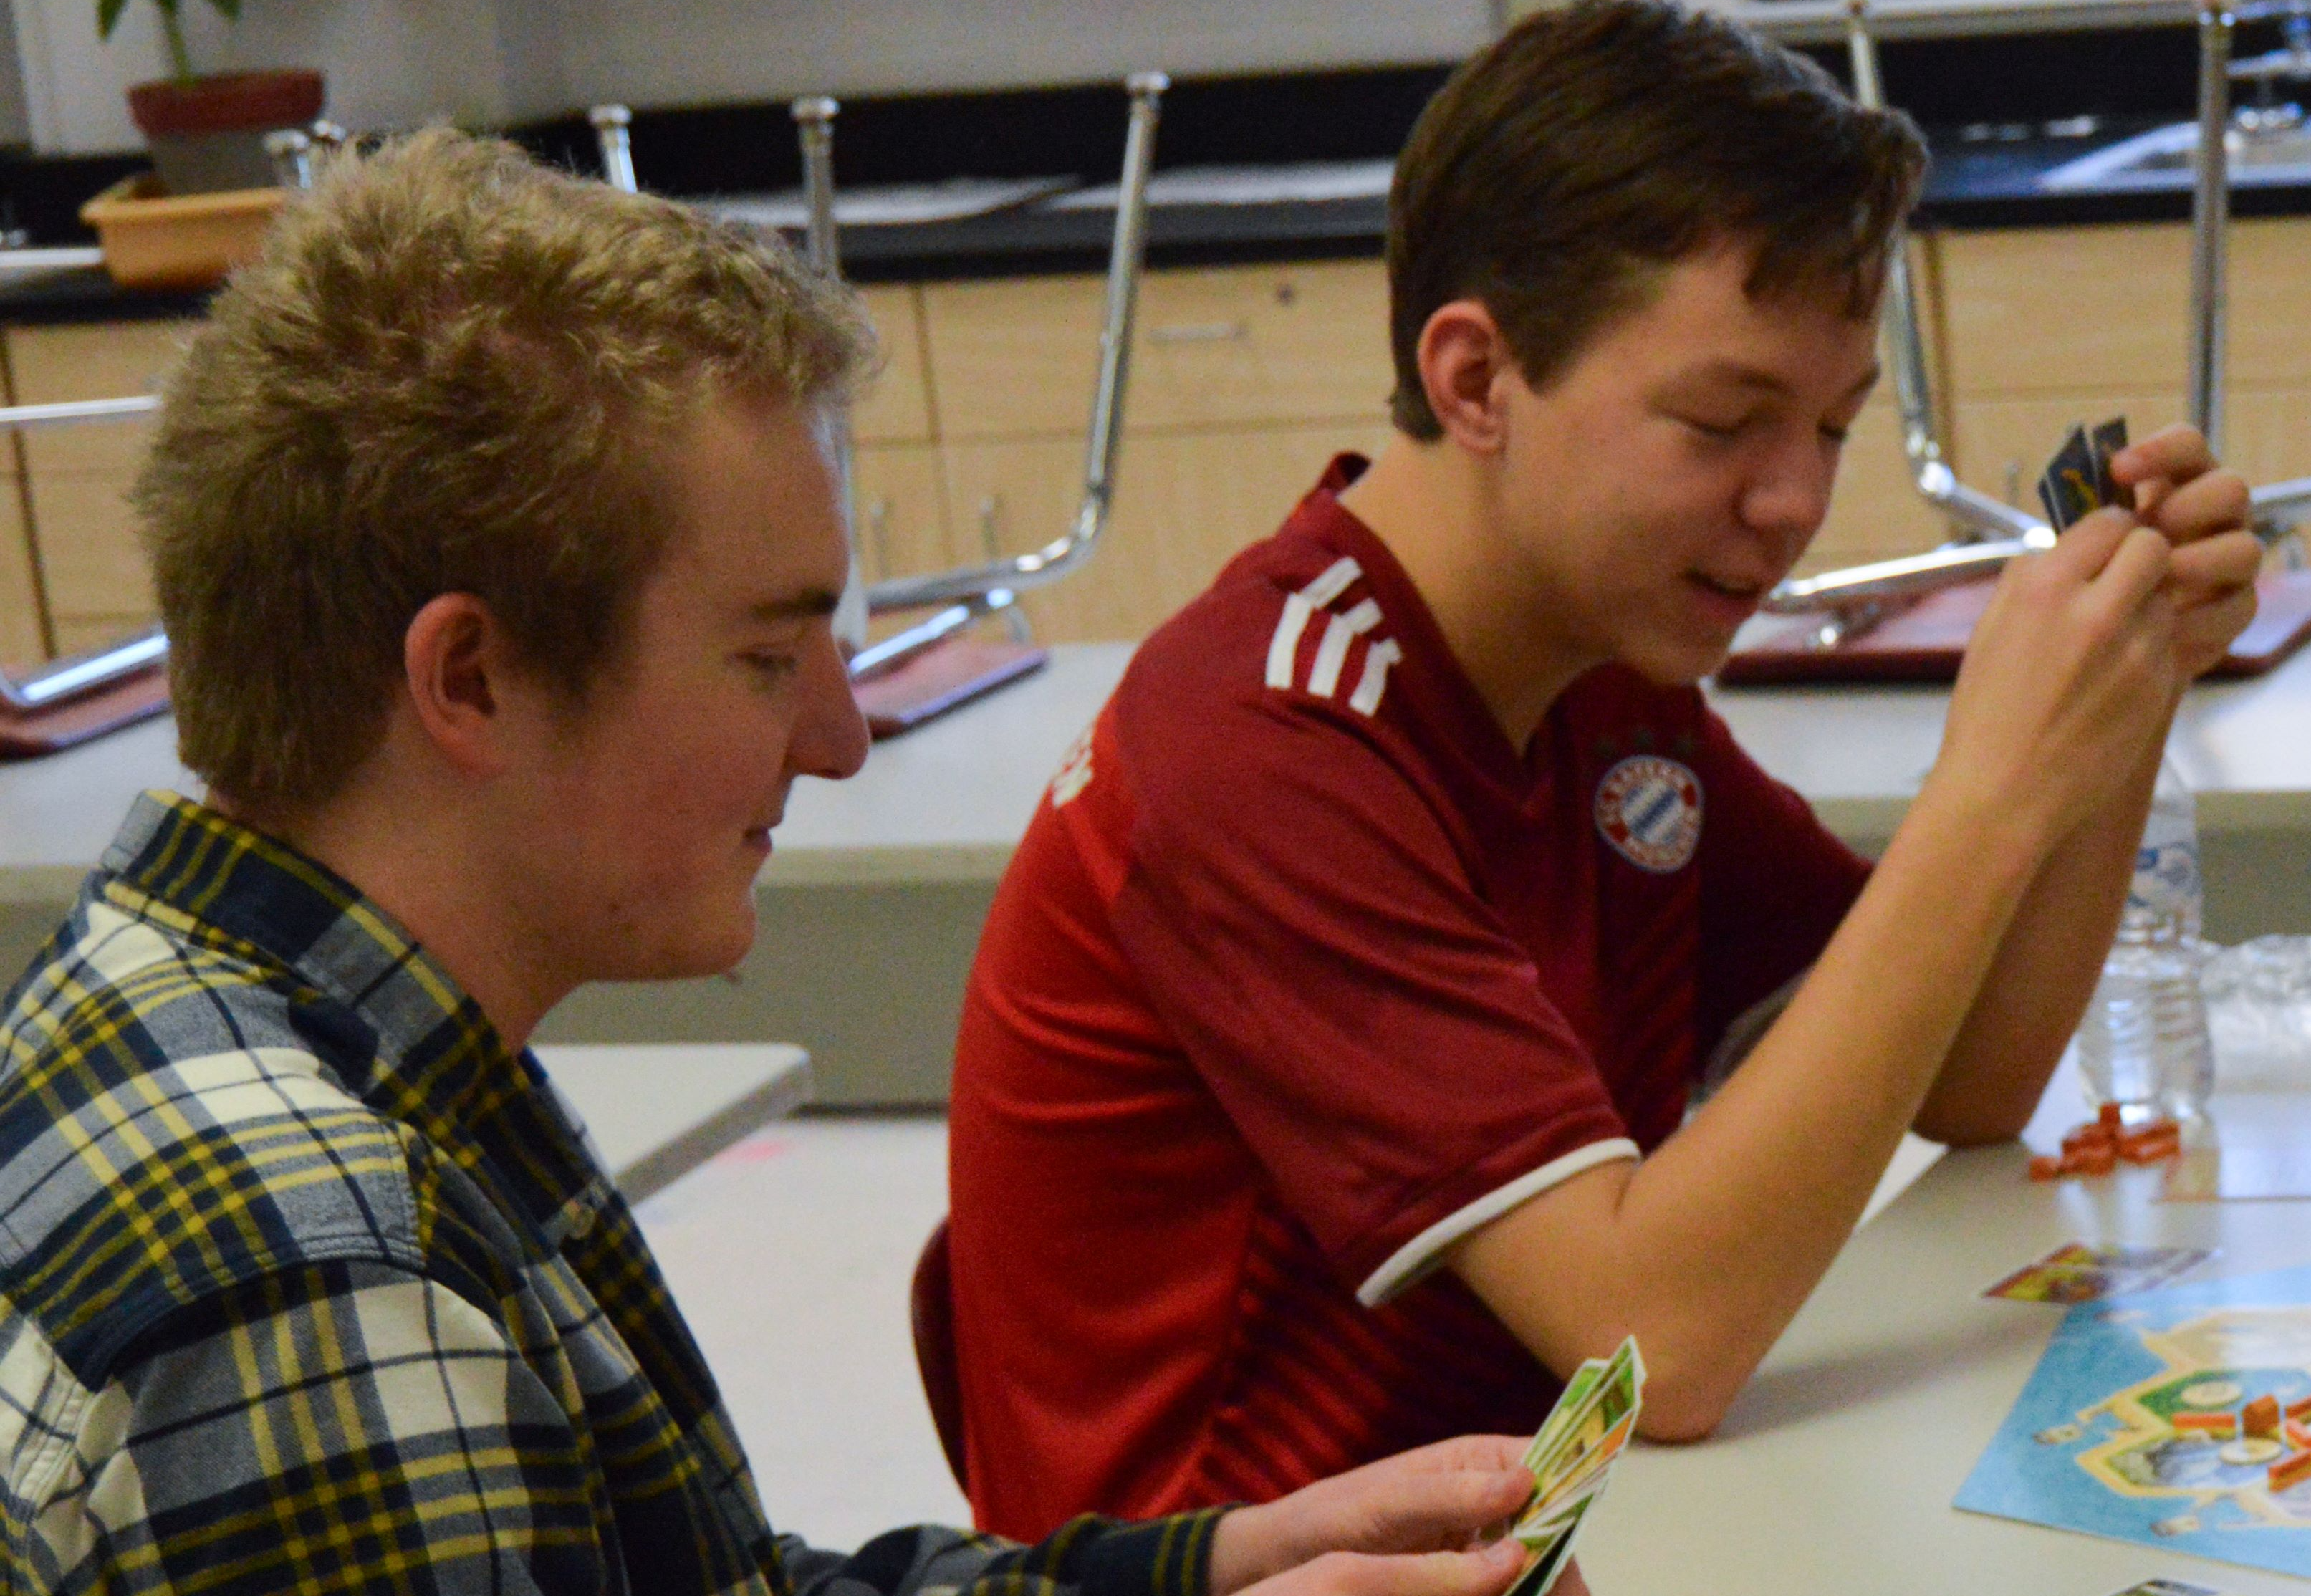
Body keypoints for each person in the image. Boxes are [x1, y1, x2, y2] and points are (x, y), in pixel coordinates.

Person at [0, 131, 1574, 1596]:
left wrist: (1216, 1572)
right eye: (766, 656)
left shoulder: (303, 1030)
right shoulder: (321, 1270)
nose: (839, 739)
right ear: (469, 680)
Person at [938, 0, 2264, 1537]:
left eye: (1832, 427)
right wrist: (1991, 781)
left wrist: (2118, 693)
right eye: (1721, 421)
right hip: (1269, 1560)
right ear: (1477, 380)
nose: (1790, 503)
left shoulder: (1599, 661)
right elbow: (1664, 1343)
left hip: (1540, 1510)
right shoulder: (1263, 737)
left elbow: (1967, 1076)